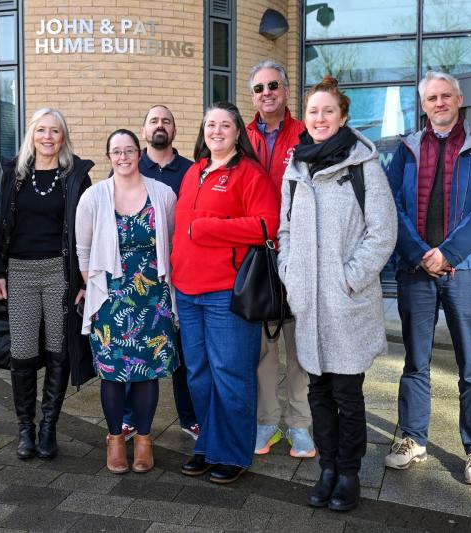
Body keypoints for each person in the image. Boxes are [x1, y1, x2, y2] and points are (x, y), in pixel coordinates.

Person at [278, 76, 397, 511]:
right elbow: (284, 230)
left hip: (347, 302)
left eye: (328, 111)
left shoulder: (364, 165)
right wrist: (289, 274)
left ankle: (349, 474)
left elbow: (383, 233)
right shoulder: (295, 168)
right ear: (304, 119)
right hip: (308, 302)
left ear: (343, 116)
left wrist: (350, 277)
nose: (320, 118)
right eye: (313, 112)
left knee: (348, 394)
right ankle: (326, 467)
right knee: (317, 391)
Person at [385, 71, 471, 486]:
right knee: (415, 360)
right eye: (431, 98)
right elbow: (392, 205)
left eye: (445, 96)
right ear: (423, 105)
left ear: (459, 99)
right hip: (416, 269)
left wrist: (448, 253)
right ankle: (413, 438)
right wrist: (420, 254)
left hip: (466, 268)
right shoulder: (405, 149)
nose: (439, 103)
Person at [172, 102, 279, 484]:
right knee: (198, 374)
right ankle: (208, 444)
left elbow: (268, 225)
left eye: (225, 125)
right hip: (186, 289)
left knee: (230, 373)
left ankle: (233, 453)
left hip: (226, 292)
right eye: (210, 124)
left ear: (237, 132)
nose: (216, 130)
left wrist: (208, 228)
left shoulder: (249, 173)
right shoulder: (194, 171)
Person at [0, 108, 94, 460]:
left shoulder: (76, 176)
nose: (47, 137)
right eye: (41, 130)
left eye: (54, 131)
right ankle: (26, 428)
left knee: (58, 351)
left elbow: (87, 231)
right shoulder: (13, 174)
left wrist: (83, 278)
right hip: (19, 271)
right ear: (31, 135)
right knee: (21, 353)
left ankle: (49, 426)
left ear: (63, 137)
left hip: (59, 273)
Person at [76, 129, 178, 474]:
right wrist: (91, 286)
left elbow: (174, 241)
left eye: (129, 150)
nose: (123, 157)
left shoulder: (163, 194)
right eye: (116, 152)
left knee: (148, 370)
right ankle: (116, 438)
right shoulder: (94, 197)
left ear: (139, 153)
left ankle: (145, 440)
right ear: (109, 157)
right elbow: (83, 249)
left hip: (153, 297)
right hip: (111, 297)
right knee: (113, 372)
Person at [245, 59, 314, 458]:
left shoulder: (305, 135)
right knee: (264, 349)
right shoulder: (243, 136)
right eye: (258, 88)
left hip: (299, 252)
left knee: (299, 345)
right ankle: (268, 422)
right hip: (258, 256)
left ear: (286, 91)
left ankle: (300, 424)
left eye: (273, 86)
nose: (266, 93)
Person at [120, 105, 199, 442]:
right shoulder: (132, 169)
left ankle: (190, 416)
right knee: (135, 344)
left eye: (167, 120)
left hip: (181, 270)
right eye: (153, 120)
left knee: (183, 347)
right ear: (144, 130)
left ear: (175, 131)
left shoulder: (192, 171)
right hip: (139, 276)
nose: (160, 125)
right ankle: (129, 417)